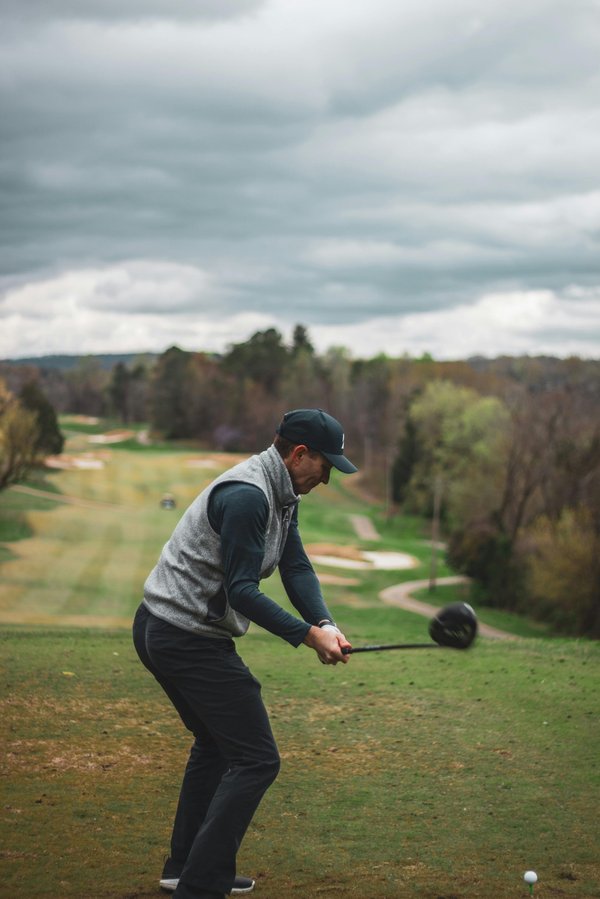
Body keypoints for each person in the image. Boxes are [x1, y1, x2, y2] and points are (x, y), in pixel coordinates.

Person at [133, 408, 358, 899]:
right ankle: (200, 883)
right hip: (183, 635)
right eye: (327, 465)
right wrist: (305, 636)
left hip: (165, 626)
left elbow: (296, 566)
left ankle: (185, 867)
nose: (328, 477)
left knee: (216, 745)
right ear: (300, 454)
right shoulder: (248, 497)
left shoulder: (283, 492)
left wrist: (324, 622)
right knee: (256, 759)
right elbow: (240, 592)